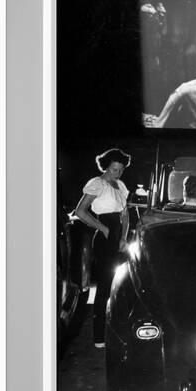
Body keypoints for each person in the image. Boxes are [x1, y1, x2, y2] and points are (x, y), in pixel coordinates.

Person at [75, 148, 131, 348]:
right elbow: (80, 211)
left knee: (121, 284)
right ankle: (99, 337)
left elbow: (125, 215)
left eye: (121, 170)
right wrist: (103, 228)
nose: (118, 173)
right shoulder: (96, 184)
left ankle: (116, 330)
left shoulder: (121, 185)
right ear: (107, 167)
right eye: (115, 169)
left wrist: (123, 237)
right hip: (105, 238)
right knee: (104, 287)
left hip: (118, 238)